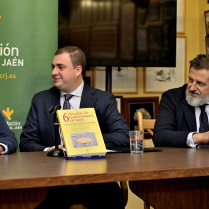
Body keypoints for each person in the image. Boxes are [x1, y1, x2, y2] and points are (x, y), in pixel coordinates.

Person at [20, 46, 129, 208]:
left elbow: (123, 136)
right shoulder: (40, 100)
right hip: (51, 185)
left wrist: (84, 142)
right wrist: (49, 151)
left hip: (95, 183)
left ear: (78, 70)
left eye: (60, 67)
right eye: (53, 67)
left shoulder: (103, 100)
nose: (53, 72)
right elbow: (26, 143)